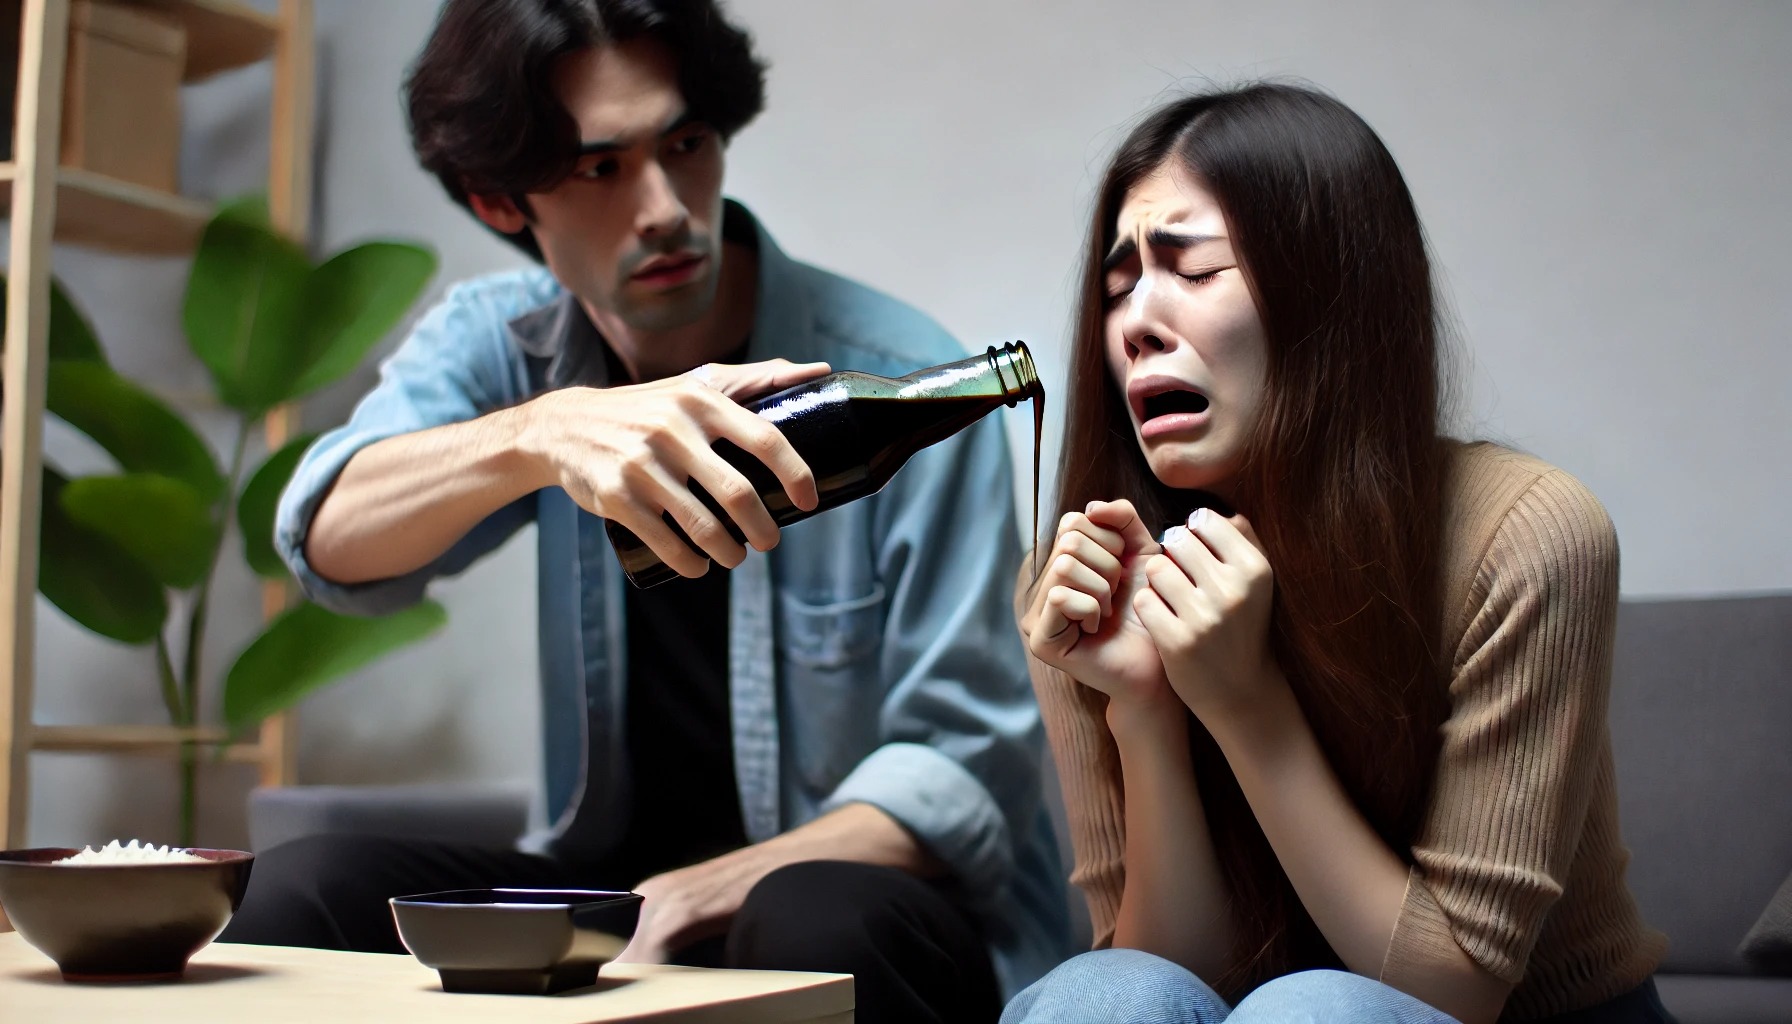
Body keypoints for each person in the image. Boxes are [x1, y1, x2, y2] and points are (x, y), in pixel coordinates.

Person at [219, 2, 1068, 1020]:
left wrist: (705, 888)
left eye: (685, 144)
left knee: (811, 920)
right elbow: (324, 538)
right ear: (499, 201)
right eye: (600, 167)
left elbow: (966, 767)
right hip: (608, 879)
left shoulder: (900, 378)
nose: (665, 207)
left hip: (852, 893)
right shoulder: (509, 350)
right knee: (303, 886)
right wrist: (542, 433)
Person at [1005, 84, 1672, 1024]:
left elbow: (1455, 987)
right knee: (1098, 994)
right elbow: (1168, 981)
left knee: (1315, 1009)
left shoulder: (1526, 533)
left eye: (1193, 271)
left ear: (1327, 293)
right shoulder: (1087, 583)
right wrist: (1145, 709)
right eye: (1117, 289)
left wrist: (1244, 703)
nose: (1135, 324)